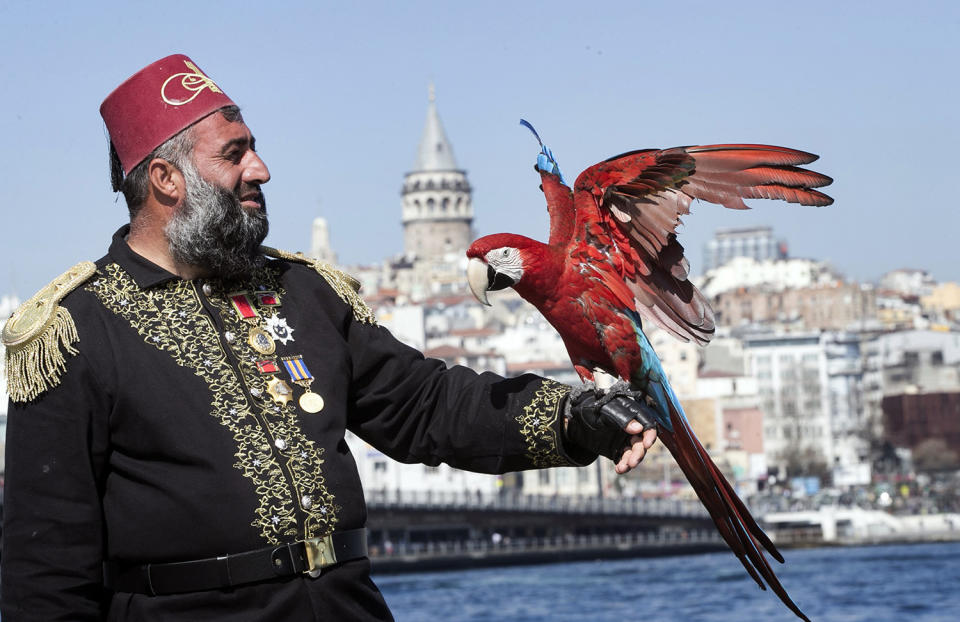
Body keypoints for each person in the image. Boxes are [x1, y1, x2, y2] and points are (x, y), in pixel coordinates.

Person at [0, 54, 657, 621]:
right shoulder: (74, 331)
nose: (261, 169)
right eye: (234, 154)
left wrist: (570, 419)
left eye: (252, 147)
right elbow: (46, 569)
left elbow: (423, 406)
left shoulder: (301, 292)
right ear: (167, 180)